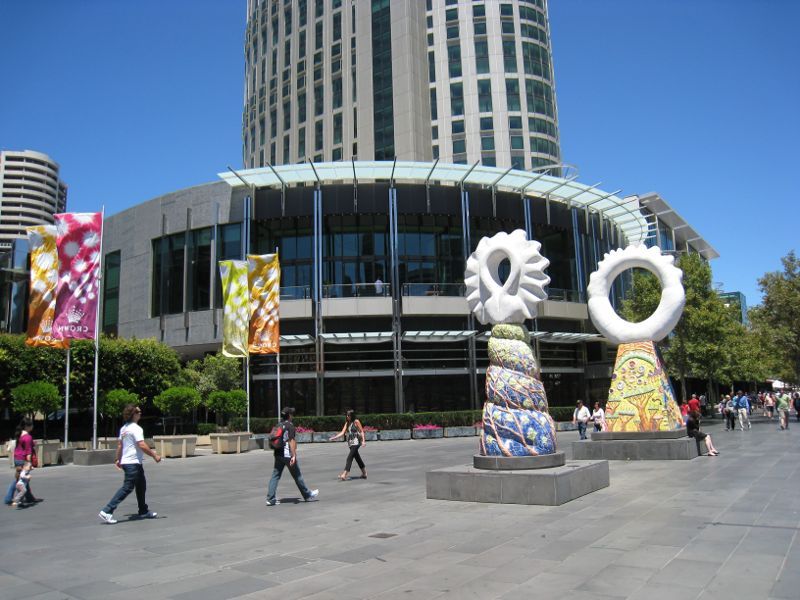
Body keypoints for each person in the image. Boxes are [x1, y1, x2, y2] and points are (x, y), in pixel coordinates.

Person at [98, 404, 161, 524]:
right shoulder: (136, 428)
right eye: (139, 412)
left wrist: (117, 459)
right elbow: (141, 445)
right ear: (133, 414)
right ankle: (107, 511)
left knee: (141, 485)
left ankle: (143, 510)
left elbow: (120, 445)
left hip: (130, 462)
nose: (140, 413)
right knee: (127, 487)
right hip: (132, 463)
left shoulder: (124, 428)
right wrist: (154, 455)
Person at [266, 407, 319, 506]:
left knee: (275, 475)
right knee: (297, 475)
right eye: (292, 414)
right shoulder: (290, 426)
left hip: (278, 454)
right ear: (289, 415)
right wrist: (294, 455)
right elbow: (291, 441)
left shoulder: (279, 424)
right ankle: (307, 495)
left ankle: (270, 498)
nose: (293, 416)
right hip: (287, 455)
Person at [4, 418, 40, 506]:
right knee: (19, 480)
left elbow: (20, 446)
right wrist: (29, 462)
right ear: (27, 426)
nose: (32, 426)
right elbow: (28, 451)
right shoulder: (28, 437)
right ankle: (8, 498)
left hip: (17, 458)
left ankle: (29, 497)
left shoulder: (19, 434)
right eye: (31, 425)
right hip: (23, 460)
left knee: (21, 479)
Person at [329, 410, 367, 480]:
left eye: (349, 415)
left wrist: (363, 441)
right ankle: (364, 473)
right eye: (346, 415)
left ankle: (344, 474)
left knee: (349, 457)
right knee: (357, 458)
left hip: (357, 442)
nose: (347, 416)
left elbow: (361, 431)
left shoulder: (356, 421)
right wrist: (334, 438)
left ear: (352, 416)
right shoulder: (347, 423)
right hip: (351, 443)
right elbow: (342, 432)